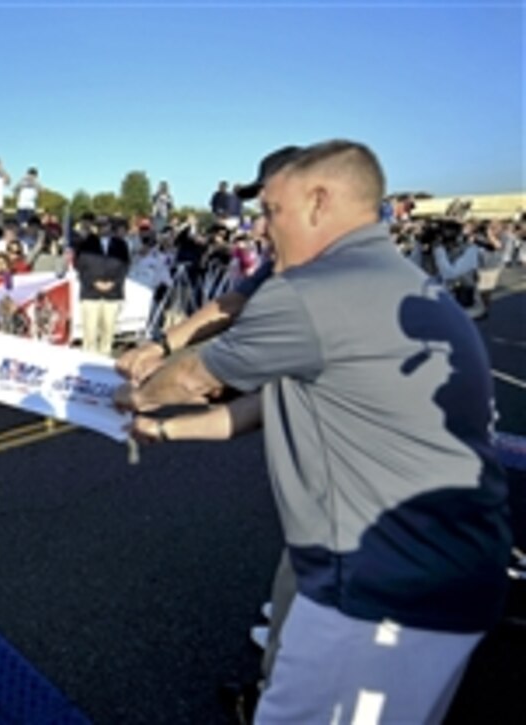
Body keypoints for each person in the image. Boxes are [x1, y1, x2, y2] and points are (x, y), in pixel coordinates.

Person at [117, 140, 510, 724]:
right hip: (448, 575)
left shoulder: (310, 292)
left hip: (374, 594)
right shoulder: (399, 279)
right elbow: (279, 402)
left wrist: (133, 391)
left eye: (272, 212)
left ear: (319, 202)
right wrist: (168, 432)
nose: (261, 231)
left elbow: (194, 378)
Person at [74, 217, 130, 355]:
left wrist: (113, 283)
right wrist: (94, 282)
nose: (102, 228)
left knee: (108, 332)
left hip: (113, 294)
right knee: (90, 334)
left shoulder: (120, 244)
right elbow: (80, 266)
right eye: (99, 226)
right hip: (90, 293)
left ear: (110, 227)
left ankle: (104, 364)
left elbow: (125, 266)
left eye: (105, 225)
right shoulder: (86, 243)